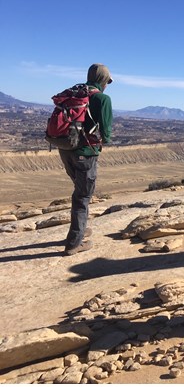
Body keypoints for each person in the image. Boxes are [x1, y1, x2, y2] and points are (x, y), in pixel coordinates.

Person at [60, 63, 113, 256]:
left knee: (80, 192)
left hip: (65, 149)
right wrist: (102, 141)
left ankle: (79, 230)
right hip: (85, 153)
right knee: (82, 197)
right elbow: (106, 133)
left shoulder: (74, 92)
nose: (107, 85)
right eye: (107, 81)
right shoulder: (102, 98)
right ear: (103, 80)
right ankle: (74, 243)